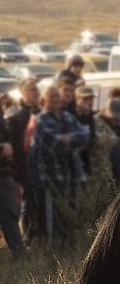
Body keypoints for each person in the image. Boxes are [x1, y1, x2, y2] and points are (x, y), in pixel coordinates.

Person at [27, 86, 92, 247]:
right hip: (50, 176)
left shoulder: (67, 117)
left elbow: (85, 136)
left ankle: (66, 246)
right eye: (52, 96)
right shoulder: (42, 119)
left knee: (68, 211)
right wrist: (72, 139)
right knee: (50, 214)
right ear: (44, 101)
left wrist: (67, 138)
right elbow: (53, 144)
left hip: (71, 175)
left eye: (57, 96)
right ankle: (51, 249)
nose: (56, 99)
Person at [0, 115, 26, 259]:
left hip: (4, 176)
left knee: (9, 217)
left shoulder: (5, 123)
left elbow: (11, 149)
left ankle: (20, 255)